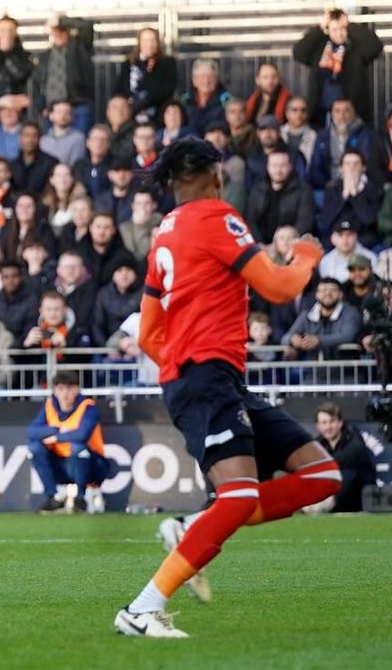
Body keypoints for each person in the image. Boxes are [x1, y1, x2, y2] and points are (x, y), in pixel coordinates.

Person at [122, 138, 336, 638]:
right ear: (211, 175)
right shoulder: (218, 217)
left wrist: (179, 367)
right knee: (238, 497)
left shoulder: (164, 233)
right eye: (221, 172)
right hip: (207, 377)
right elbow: (280, 288)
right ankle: (141, 609)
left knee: (323, 475)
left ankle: (196, 529)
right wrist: (304, 257)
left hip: (209, 379)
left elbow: (150, 329)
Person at [27, 370, 109, 514]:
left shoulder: (88, 406)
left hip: (92, 464)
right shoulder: (49, 405)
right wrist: (58, 429)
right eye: (60, 389)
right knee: (34, 448)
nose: (65, 394)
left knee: (78, 448)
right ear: (55, 391)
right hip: (62, 464)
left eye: (69, 389)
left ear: (76, 389)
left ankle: (80, 497)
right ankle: (53, 497)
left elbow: (82, 434)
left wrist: (57, 438)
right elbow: (32, 432)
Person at [292, 9, 383, 129]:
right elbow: (299, 53)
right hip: (321, 112)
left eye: (342, 29)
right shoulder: (319, 48)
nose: (339, 34)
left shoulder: (356, 48)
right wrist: (319, 28)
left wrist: (350, 25)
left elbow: (375, 46)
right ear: (327, 30)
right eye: (334, 30)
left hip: (352, 111)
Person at [31, 14, 96, 135]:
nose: (58, 34)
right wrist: (41, 107)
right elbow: (35, 83)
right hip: (52, 110)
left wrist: (61, 21)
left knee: (79, 145)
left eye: (62, 30)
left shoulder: (79, 48)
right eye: (55, 31)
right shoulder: (44, 56)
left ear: (68, 31)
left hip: (77, 106)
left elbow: (87, 26)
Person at [314, 402, 380, 512]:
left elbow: (355, 453)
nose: (328, 427)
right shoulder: (318, 444)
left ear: (340, 423)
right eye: (324, 423)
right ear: (318, 426)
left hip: (358, 494)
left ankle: (327, 503)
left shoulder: (352, 435)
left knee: (349, 470)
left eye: (332, 421)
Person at [281, 278, 362, 361]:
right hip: (314, 371)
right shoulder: (307, 315)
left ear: (340, 294)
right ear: (317, 294)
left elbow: (347, 336)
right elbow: (285, 338)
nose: (327, 293)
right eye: (323, 290)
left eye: (332, 290)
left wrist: (318, 340)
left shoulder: (351, 312)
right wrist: (293, 339)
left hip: (346, 371)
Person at [245, 149, 315, 244]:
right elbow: (250, 220)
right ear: (268, 167)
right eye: (274, 166)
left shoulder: (303, 189)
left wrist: (287, 241)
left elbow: (305, 221)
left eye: (283, 165)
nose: (278, 170)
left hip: (291, 244)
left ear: (290, 167)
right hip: (260, 246)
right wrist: (259, 243)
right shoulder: (258, 188)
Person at [113, 26, 177, 125]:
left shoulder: (167, 63)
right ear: (139, 43)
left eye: (153, 40)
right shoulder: (128, 63)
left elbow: (168, 89)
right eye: (146, 40)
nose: (149, 44)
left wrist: (145, 100)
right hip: (130, 112)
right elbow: (119, 89)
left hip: (157, 112)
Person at [317, 150, 384, 244]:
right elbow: (325, 221)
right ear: (341, 168)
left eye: (356, 164)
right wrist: (343, 196)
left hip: (363, 240)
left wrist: (354, 194)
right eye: (347, 164)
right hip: (336, 241)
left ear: (363, 167)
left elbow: (368, 219)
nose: (352, 168)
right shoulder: (332, 189)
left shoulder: (374, 190)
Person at [179, 59, 233, 135]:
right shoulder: (184, 100)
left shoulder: (227, 100)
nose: (206, 81)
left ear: (217, 80)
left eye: (210, 76)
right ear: (194, 81)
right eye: (202, 76)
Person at [0, 261, 38, 345]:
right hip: (0, 349)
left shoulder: (31, 300)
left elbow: (29, 329)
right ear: (1, 279)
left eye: (14, 276)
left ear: (20, 277)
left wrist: (14, 347)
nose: (10, 280)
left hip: (23, 350)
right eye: (6, 277)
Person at [9, 122, 58, 196]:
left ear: (40, 138)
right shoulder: (12, 165)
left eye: (34, 136)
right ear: (20, 138)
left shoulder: (51, 163)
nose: (30, 140)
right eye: (26, 135)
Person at [119, 187, 161, 264]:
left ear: (154, 205)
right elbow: (138, 256)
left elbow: (146, 252)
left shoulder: (161, 223)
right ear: (133, 206)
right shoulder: (125, 228)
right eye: (138, 203)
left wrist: (141, 226)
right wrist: (139, 225)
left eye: (147, 203)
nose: (143, 208)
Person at [39, 101, 86, 167]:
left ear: (71, 117)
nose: (63, 115)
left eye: (67, 112)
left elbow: (76, 164)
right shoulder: (43, 140)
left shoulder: (78, 138)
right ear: (51, 116)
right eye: (59, 112)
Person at [244, 63, 291, 127]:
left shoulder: (289, 102)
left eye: (274, 77)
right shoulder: (253, 101)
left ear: (279, 79)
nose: (270, 81)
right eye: (265, 77)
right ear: (257, 80)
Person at [281, 96, 317, 167]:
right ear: (287, 113)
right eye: (295, 110)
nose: (299, 114)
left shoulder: (314, 136)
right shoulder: (278, 133)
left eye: (303, 110)